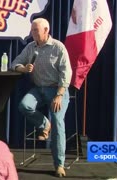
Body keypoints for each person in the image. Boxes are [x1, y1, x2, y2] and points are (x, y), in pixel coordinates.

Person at [11, 18, 72, 177]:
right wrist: (24, 68)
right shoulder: (30, 48)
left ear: (46, 31)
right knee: (24, 106)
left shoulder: (58, 47)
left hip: (57, 90)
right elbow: (14, 63)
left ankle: (59, 164)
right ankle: (44, 124)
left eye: (36, 30)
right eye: (32, 30)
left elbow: (66, 74)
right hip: (39, 89)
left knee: (58, 122)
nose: (33, 33)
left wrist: (59, 95)